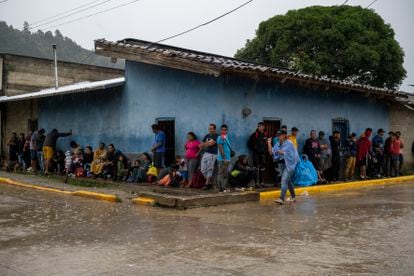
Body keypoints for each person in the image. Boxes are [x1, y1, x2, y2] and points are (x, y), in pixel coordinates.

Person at [268, 130, 299, 205]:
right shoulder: (277, 144)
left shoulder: (289, 143)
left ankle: (281, 198)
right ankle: (293, 197)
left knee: (284, 180)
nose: (279, 137)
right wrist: (269, 143)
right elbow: (271, 152)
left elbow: (293, 155)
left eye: (280, 135)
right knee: (288, 182)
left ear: (284, 135)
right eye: (278, 135)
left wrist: (283, 153)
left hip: (290, 165)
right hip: (281, 165)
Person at [247, 122, 268, 187]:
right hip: (256, 154)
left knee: (263, 168)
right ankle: (256, 183)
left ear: (263, 127)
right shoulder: (254, 135)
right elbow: (249, 144)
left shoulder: (266, 135)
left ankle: (262, 182)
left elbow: (269, 143)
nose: (259, 127)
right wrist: (255, 148)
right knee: (256, 168)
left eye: (261, 126)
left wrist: (266, 151)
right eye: (258, 126)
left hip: (263, 155)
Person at [199, 124, 219, 190]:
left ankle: (207, 184)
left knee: (210, 169)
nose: (210, 130)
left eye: (211, 129)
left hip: (213, 154)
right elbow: (201, 145)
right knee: (203, 169)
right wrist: (206, 144)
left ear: (214, 129)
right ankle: (210, 182)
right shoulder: (207, 136)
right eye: (209, 128)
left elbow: (211, 144)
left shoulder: (217, 136)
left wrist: (205, 144)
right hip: (206, 153)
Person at [217, 124, 232, 192]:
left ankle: (224, 187)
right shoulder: (220, 138)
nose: (223, 131)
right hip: (222, 159)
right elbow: (220, 148)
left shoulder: (226, 137)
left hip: (227, 158)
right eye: (222, 130)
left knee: (226, 173)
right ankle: (221, 188)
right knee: (221, 173)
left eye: (225, 130)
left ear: (227, 131)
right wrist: (224, 158)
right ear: (220, 130)